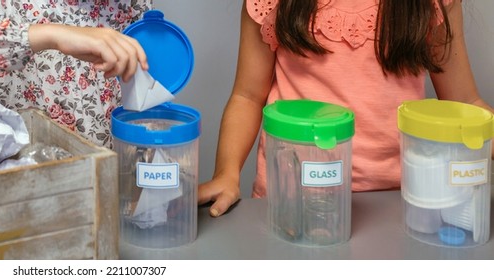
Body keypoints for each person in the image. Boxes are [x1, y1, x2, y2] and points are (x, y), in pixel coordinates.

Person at [199, 0, 494, 217]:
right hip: (293, 200)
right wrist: (227, 173)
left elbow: (465, 104)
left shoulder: (434, 3)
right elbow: (247, 97)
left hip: (402, 204)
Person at [0, 0, 151, 147]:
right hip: (29, 182)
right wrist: (52, 35)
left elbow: (147, 90)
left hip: (113, 182)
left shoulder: (131, 4)